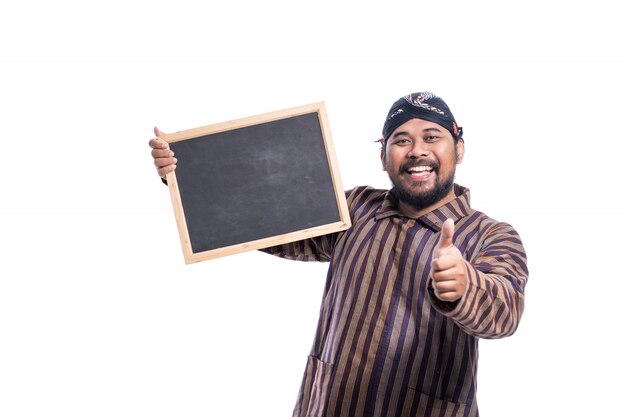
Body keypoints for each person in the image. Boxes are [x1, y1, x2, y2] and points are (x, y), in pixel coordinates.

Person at [148, 92, 528, 417]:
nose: (417, 151)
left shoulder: (491, 235)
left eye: (432, 137)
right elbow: (266, 220)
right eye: (401, 140)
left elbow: (505, 312)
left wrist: (465, 286)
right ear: (383, 156)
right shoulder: (356, 207)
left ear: (458, 149)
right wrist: (185, 175)